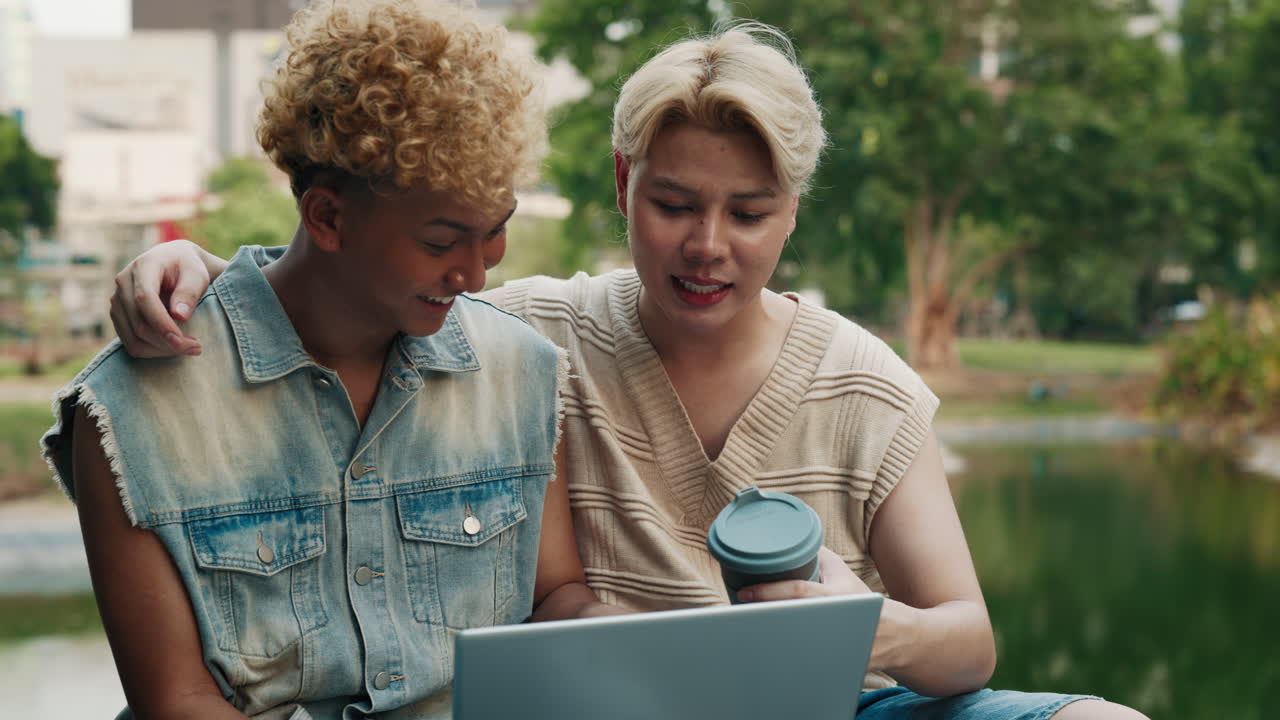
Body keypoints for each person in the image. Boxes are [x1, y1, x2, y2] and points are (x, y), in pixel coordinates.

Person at [106, 19, 1149, 720]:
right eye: (674, 204)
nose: (708, 246)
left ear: (792, 210)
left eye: (748, 214)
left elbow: (969, 643)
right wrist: (195, 271)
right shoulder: (525, 333)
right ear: (621, 183)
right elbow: (345, 281)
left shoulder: (858, 381)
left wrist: (845, 625)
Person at [41, 2, 617, 718]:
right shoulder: (132, 409)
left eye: (494, 233)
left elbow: (554, 594)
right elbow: (177, 701)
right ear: (327, 218)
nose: (476, 274)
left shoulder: (518, 369)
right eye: (442, 242)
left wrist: (631, 648)